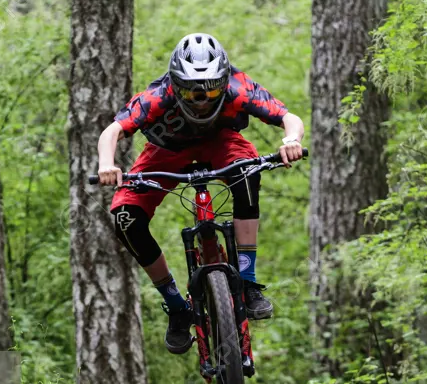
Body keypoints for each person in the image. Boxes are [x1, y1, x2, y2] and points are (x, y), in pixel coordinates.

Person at [96, 33, 305, 354]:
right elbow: (113, 131)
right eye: (191, 92)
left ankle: (247, 280)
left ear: (224, 81)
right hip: (166, 150)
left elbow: (288, 118)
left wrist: (291, 141)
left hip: (222, 141)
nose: (202, 99)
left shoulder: (239, 87)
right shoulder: (157, 96)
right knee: (126, 218)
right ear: (175, 85)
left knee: (248, 173)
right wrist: (107, 164)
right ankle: (176, 306)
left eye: (211, 90)